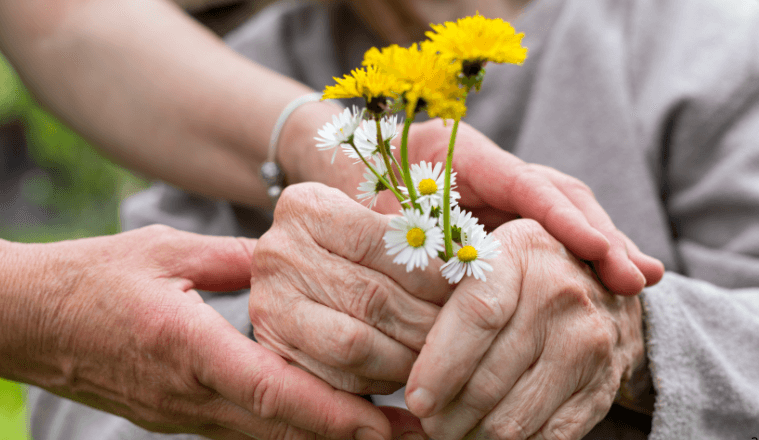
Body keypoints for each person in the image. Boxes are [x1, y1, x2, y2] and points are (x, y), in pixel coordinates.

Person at [41, 0, 758, 438]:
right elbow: (83, 408)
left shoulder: (711, 51)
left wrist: (643, 343)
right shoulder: (229, 83)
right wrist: (270, 366)